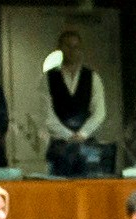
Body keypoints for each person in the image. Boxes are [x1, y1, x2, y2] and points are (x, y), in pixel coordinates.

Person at [45, 31, 108, 176]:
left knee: (87, 185)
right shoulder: (48, 78)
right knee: (59, 185)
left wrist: (83, 134)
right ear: (59, 48)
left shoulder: (92, 77)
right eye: (68, 46)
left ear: (81, 49)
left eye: (76, 47)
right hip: (59, 146)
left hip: (87, 144)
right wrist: (68, 135)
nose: (72, 51)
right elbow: (46, 114)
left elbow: (99, 112)